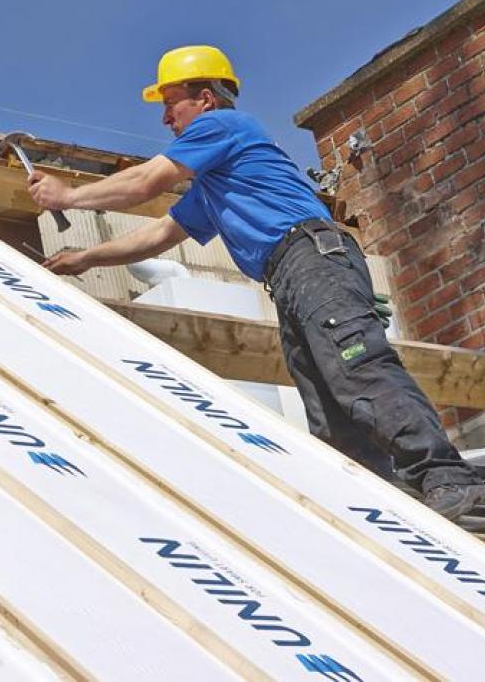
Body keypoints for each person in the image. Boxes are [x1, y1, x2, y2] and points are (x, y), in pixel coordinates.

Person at [28, 44, 483, 520]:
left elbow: (146, 182)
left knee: (356, 367)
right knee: (326, 403)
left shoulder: (220, 126)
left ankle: (445, 477)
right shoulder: (216, 181)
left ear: (205, 98)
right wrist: (84, 257)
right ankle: (382, 504)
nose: (165, 118)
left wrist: (70, 196)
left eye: (170, 103)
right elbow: (161, 232)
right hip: (292, 274)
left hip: (311, 259)